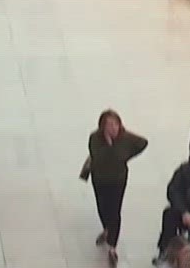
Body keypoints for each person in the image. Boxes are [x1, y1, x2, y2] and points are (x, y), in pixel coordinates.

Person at [80, 110, 148, 264]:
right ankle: (106, 229)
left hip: (118, 179)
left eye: (115, 124)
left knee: (115, 210)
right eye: (109, 124)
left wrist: (127, 154)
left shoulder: (124, 138)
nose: (112, 128)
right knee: (102, 206)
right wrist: (109, 145)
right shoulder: (95, 138)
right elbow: (98, 156)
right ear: (102, 126)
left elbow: (143, 142)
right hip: (100, 178)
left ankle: (112, 246)